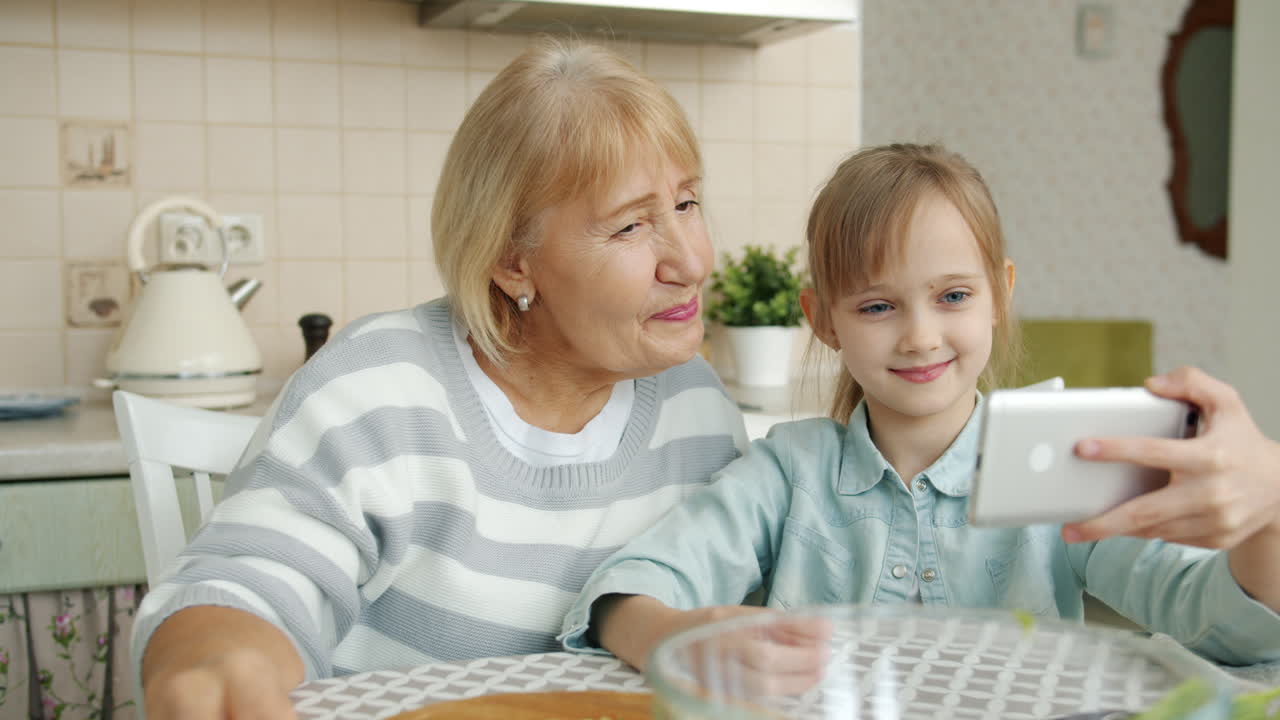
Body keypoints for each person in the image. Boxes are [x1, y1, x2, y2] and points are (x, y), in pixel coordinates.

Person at [131, 39, 749, 719]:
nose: (691, 261)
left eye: (687, 204)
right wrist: (221, 658)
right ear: (514, 262)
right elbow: (253, 580)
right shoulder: (377, 390)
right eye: (631, 225)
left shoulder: (697, 404)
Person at [559, 143, 1280, 676]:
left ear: (1001, 293)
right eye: (878, 305)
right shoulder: (787, 473)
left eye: (953, 296)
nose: (921, 336)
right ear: (824, 320)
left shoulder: (1063, 468)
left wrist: (1267, 513)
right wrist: (674, 636)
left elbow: (1228, 628)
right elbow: (628, 594)